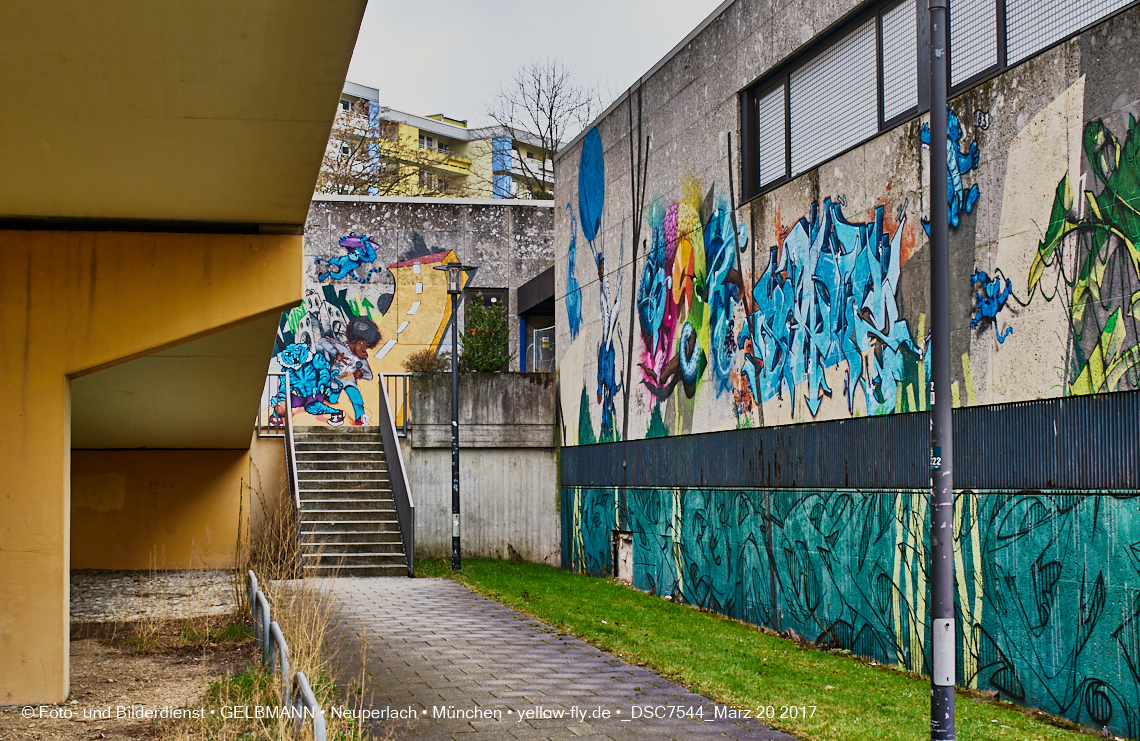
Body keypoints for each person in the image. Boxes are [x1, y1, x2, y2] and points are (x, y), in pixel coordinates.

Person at [316, 316, 381, 426]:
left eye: (366, 345)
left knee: (357, 400)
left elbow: (369, 375)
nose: (364, 348)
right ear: (354, 341)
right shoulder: (341, 347)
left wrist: (361, 374)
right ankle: (333, 414)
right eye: (361, 344)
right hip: (335, 380)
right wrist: (336, 353)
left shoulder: (362, 359)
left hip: (349, 381)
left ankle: (360, 420)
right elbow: (322, 341)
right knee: (331, 400)